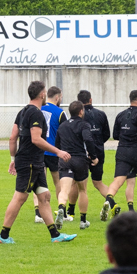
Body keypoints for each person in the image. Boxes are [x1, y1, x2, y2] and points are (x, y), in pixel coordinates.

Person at [0, 81, 75, 244]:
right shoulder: (36, 113)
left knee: (44, 197)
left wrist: (13, 159)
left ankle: (55, 235)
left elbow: (13, 137)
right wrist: (58, 151)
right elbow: (36, 139)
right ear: (42, 94)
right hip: (30, 162)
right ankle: (3, 236)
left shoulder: (22, 112)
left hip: (34, 162)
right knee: (19, 197)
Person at [101, 90, 137, 221]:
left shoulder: (120, 115)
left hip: (122, 151)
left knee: (118, 180)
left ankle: (108, 200)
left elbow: (115, 135)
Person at [55, 101, 101, 230]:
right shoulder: (84, 124)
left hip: (65, 159)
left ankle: (61, 208)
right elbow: (88, 139)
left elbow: (57, 145)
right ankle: (83, 221)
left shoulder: (62, 126)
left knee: (64, 190)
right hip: (80, 160)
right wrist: (94, 156)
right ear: (81, 111)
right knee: (82, 190)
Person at [67, 89, 110, 225]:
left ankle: (71, 211)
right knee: (98, 182)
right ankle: (113, 203)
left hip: (82, 153)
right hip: (99, 152)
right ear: (90, 100)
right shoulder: (101, 114)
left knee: (76, 183)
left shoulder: (78, 117)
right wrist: (97, 145)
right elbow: (107, 134)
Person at [39, 86, 67, 219]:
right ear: (57, 97)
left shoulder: (38, 109)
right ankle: (62, 211)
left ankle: (38, 214)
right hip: (54, 152)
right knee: (58, 182)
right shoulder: (60, 112)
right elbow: (66, 132)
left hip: (39, 151)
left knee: (40, 183)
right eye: (61, 97)